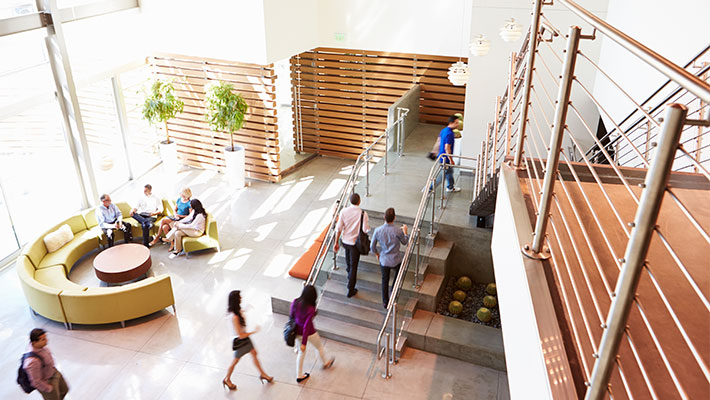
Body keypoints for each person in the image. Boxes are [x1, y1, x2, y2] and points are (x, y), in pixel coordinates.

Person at [223, 290, 272, 391]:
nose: (241, 299)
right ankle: (227, 379)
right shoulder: (235, 317)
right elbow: (240, 335)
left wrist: (246, 309)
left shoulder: (235, 311)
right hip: (240, 341)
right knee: (235, 360)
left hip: (245, 339)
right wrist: (254, 332)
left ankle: (263, 374)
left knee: (254, 353)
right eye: (239, 298)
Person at [290, 285, 335, 383]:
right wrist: (304, 343)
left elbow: (291, 317)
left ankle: (299, 374)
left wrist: (300, 343)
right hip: (309, 333)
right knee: (319, 347)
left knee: (301, 352)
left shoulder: (295, 302)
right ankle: (325, 363)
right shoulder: (311, 309)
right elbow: (306, 326)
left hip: (296, 331)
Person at [370, 208, 409, 309]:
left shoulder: (378, 230)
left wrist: (377, 253)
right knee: (398, 276)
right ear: (394, 218)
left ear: (384, 217)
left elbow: (372, 246)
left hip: (384, 260)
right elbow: (405, 242)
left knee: (384, 280)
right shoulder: (397, 231)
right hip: (396, 259)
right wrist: (405, 232)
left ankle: (385, 302)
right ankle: (393, 292)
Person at [334, 192, 369, 298]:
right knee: (354, 266)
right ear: (359, 201)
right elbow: (365, 229)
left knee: (348, 259)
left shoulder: (343, 212)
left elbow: (339, 228)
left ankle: (349, 271)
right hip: (355, 243)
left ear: (350, 201)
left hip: (345, 241)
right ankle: (350, 288)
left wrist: (336, 242)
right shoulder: (363, 213)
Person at [23, 328, 69, 400]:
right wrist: (48, 388)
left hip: (54, 373)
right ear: (34, 342)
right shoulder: (32, 362)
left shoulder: (42, 347)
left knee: (64, 390)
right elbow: (36, 382)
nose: (46, 340)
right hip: (48, 382)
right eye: (43, 339)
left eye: (45, 338)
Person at [429, 115, 461, 193]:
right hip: (445, 158)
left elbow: (438, 141)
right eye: (456, 123)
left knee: (448, 172)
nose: (458, 125)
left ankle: (450, 186)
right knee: (443, 174)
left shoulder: (444, 130)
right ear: (451, 123)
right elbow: (447, 148)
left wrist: (434, 151)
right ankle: (429, 188)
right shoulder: (450, 134)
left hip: (441, 156)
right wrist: (451, 160)